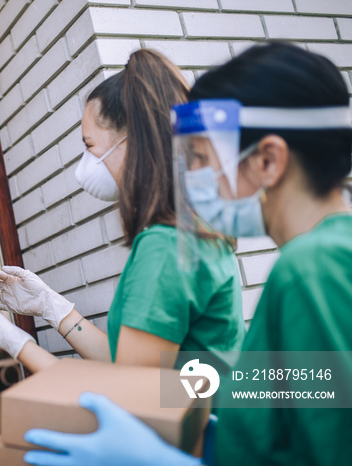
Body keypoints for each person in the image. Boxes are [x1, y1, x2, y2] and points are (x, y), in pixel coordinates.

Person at [18, 42, 352, 465]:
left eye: (200, 159)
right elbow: (304, 397)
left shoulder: (314, 268)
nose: (191, 178)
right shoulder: (326, 257)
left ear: (268, 160)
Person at [0, 49, 244, 376]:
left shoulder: (166, 246)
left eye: (89, 146)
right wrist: (51, 306)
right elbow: (128, 362)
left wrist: (9, 338)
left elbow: (132, 392)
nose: (85, 164)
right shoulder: (192, 229)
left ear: (133, 141)